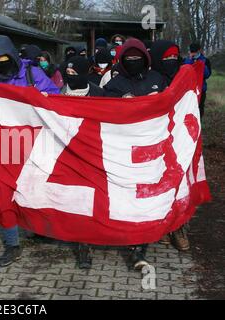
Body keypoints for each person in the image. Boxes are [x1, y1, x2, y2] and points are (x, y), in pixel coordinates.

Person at [0, 35, 59, 267]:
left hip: (36, 144)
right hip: (3, 145)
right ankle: (12, 245)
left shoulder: (32, 74)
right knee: (3, 196)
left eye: (2, 57)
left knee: (36, 190)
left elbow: (57, 98)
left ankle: (41, 228)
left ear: (13, 55)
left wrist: (47, 98)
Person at [103, 38, 167, 271]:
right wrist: (121, 102)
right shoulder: (115, 83)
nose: (133, 62)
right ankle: (132, 244)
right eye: (127, 59)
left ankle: (141, 245)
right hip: (125, 150)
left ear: (145, 59)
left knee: (147, 194)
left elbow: (172, 103)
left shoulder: (157, 80)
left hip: (151, 148)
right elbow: (104, 110)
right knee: (129, 195)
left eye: (136, 58)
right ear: (121, 61)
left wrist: (157, 102)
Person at [60, 56, 103, 268]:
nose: (71, 78)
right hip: (66, 154)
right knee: (73, 199)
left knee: (90, 200)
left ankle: (87, 241)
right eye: (68, 74)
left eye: (75, 74)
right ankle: (75, 239)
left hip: (92, 154)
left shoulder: (99, 93)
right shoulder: (57, 93)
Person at [150, 40, 191, 251]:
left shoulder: (185, 77)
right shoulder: (151, 79)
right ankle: (164, 226)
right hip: (157, 138)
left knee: (180, 181)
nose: (171, 62)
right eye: (166, 59)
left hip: (181, 138)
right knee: (160, 181)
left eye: (174, 58)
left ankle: (179, 226)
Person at [183, 43, 212, 119]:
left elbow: (207, 75)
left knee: (200, 107)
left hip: (201, 89)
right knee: (189, 107)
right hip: (189, 89)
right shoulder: (186, 60)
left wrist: (201, 64)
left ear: (199, 50)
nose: (193, 53)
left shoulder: (206, 60)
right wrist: (190, 60)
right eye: (192, 51)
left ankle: (199, 122)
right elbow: (184, 71)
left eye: (195, 51)